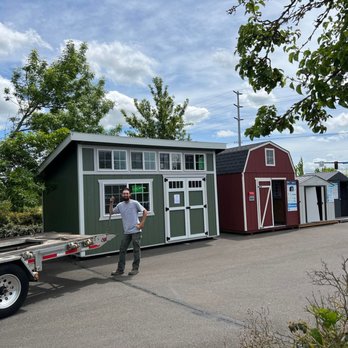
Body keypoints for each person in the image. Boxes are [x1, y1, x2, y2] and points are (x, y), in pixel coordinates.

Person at [109, 187, 148, 276]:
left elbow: (145, 212)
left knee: (136, 250)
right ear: (122, 195)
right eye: (124, 193)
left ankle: (135, 269)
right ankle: (120, 270)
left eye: (127, 193)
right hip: (127, 231)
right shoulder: (120, 205)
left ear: (130, 194)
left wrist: (141, 223)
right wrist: (111, 203)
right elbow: (111, 212)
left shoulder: (135, 203)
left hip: (136, 230)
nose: (125, 195)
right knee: (122, 250)